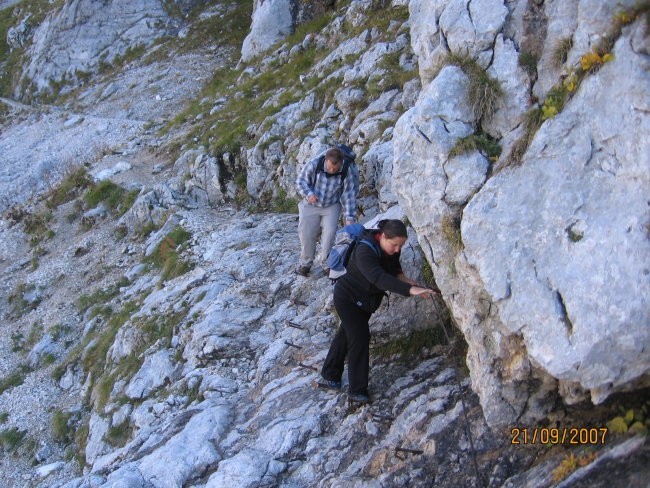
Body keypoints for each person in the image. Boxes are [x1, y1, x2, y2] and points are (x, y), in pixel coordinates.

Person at [318, 219, 438, 403]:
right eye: (394, 245)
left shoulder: (391, 249)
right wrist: (410, 291)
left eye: (401, 245)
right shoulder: (364, 250)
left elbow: (394, 269)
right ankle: (357, 391)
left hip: (366, 301)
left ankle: (330, 374)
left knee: (346, 333)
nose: (397, 249)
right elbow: (378, 277)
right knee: (359, 336)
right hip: (347, 298)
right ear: (382, 236)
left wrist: (407, 281)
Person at [295, 146, 359, 276]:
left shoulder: (346, 170)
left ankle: (327, 264)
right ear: (326, 160)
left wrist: (349, 217)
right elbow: (300, 182)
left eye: (335, 169)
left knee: (329, 234)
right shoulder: (314, 164)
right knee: (306, 233)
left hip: (332, 205)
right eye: (329, 167)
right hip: (311, 203)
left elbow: (349, 195)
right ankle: (305, 263)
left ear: (341, 163)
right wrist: (309, 194)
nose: (331, 171)